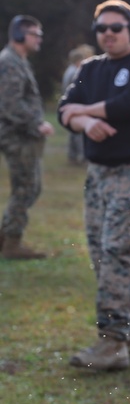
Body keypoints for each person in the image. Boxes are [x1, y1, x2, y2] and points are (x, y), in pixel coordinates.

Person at [58, 0, 130, 371]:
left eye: (116, 28)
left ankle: (111, 342)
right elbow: (63, 108)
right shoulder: (90, 68)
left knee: (118, 252)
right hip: (99, 174)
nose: (108, 34)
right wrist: (84, 124)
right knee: (103, 256)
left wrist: (81, 112)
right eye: (101, 28)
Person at [0, 15, 56, 259]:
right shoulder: (9, 62)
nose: (39, 40)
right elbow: (9, 103)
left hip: (22, 136)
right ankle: (11, 243)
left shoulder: (17, 61)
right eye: (35, 34)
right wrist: (36, 123)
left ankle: (6, 239)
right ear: (20, 35)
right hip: (16, 136)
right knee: (26, 188)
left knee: (30, 187)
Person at [62, 44, 96, 165]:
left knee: (73, 135)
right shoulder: (75, 73)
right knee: (78, 136)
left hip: (71, 105)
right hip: (76, 105)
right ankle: (81, 157)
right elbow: (78, 88)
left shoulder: (69, 70)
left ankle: (73, 156)